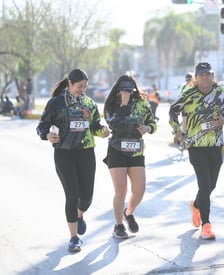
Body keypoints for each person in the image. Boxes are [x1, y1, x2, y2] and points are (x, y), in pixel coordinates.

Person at [36, 68, 110, 252]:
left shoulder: (89, 103)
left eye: (85, 86)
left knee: (86, 198)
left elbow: (94, 125)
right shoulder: (56, 103)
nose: (82, 90)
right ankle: (73, 237)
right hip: (64, 154)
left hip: (86, 153)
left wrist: (102, 131)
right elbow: (42, 125)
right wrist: (47, 135)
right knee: (72, 195)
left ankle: (79, 215)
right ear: (69, 84)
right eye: (79, 86)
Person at [169, 62, 224, 240]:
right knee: (205, 185)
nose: (206, 77)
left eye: (209, 74)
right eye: (202, 75)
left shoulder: (222, 94)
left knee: (211, 185)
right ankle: (206, 225)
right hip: (195, 146)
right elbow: (172, 111)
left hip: (216, 145)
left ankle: (196, 205)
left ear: (213, 76)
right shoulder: (188, 95)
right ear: (196, 78)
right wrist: (177, 130)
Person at [103, 74, 157, 239]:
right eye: (124, 90)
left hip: (136, 151)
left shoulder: (142, 104)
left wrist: (147, 129)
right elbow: (112, 123)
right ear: (118, 91)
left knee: (139, 191)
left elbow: (153, 123)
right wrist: (124, 105)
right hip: (116, 150)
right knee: (121, 191)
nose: (128, 93)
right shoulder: (111, 104)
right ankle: (118, 226)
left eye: (130, 90)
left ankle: (128, 212)